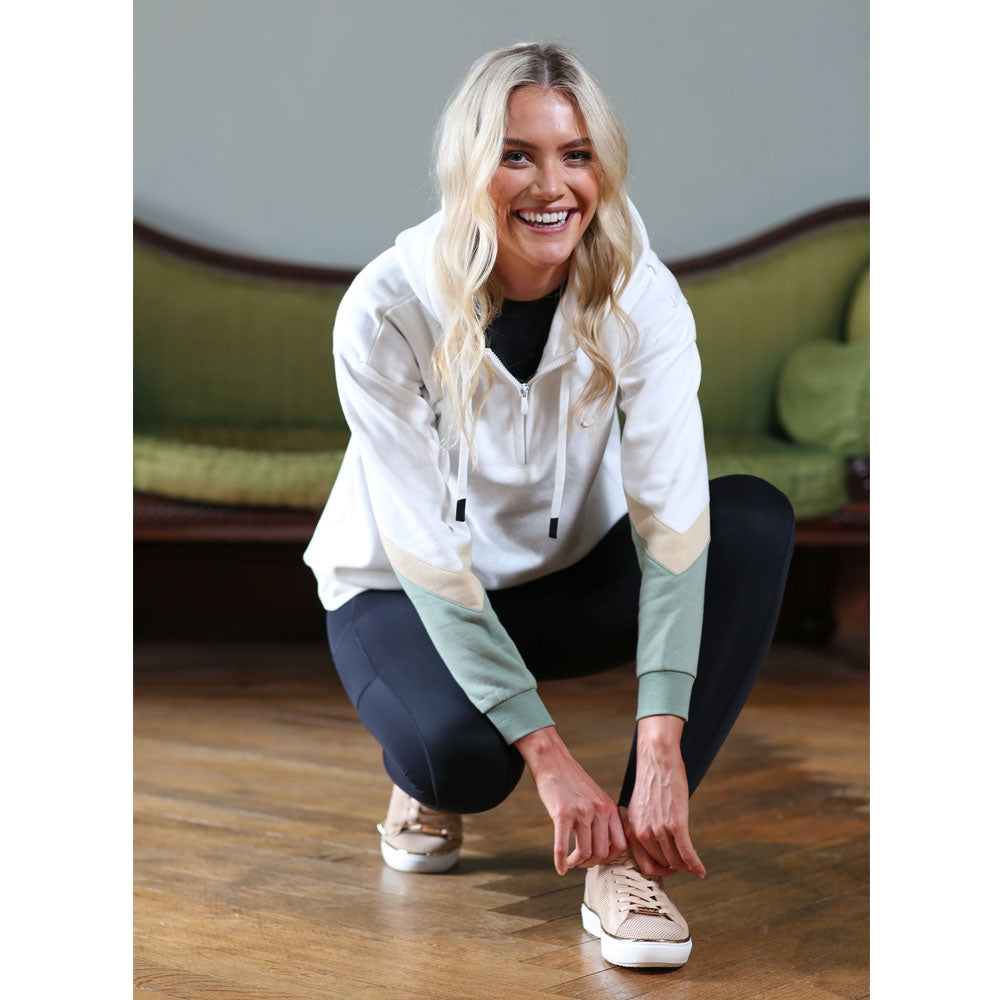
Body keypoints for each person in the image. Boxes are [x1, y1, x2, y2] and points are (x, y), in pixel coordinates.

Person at [304, 41, 794, 970]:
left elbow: (673, 523)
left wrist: (661, 752)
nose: (551, 186)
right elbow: (426, 555)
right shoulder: (385, 312)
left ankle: (629, 864)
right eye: (516, 155)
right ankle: (424, 769)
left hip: (563, 586)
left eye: (576, 154)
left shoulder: (642, 292)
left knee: (753, 519)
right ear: (469, 167)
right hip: (404, 595)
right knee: (467, 762)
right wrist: (552, 760)